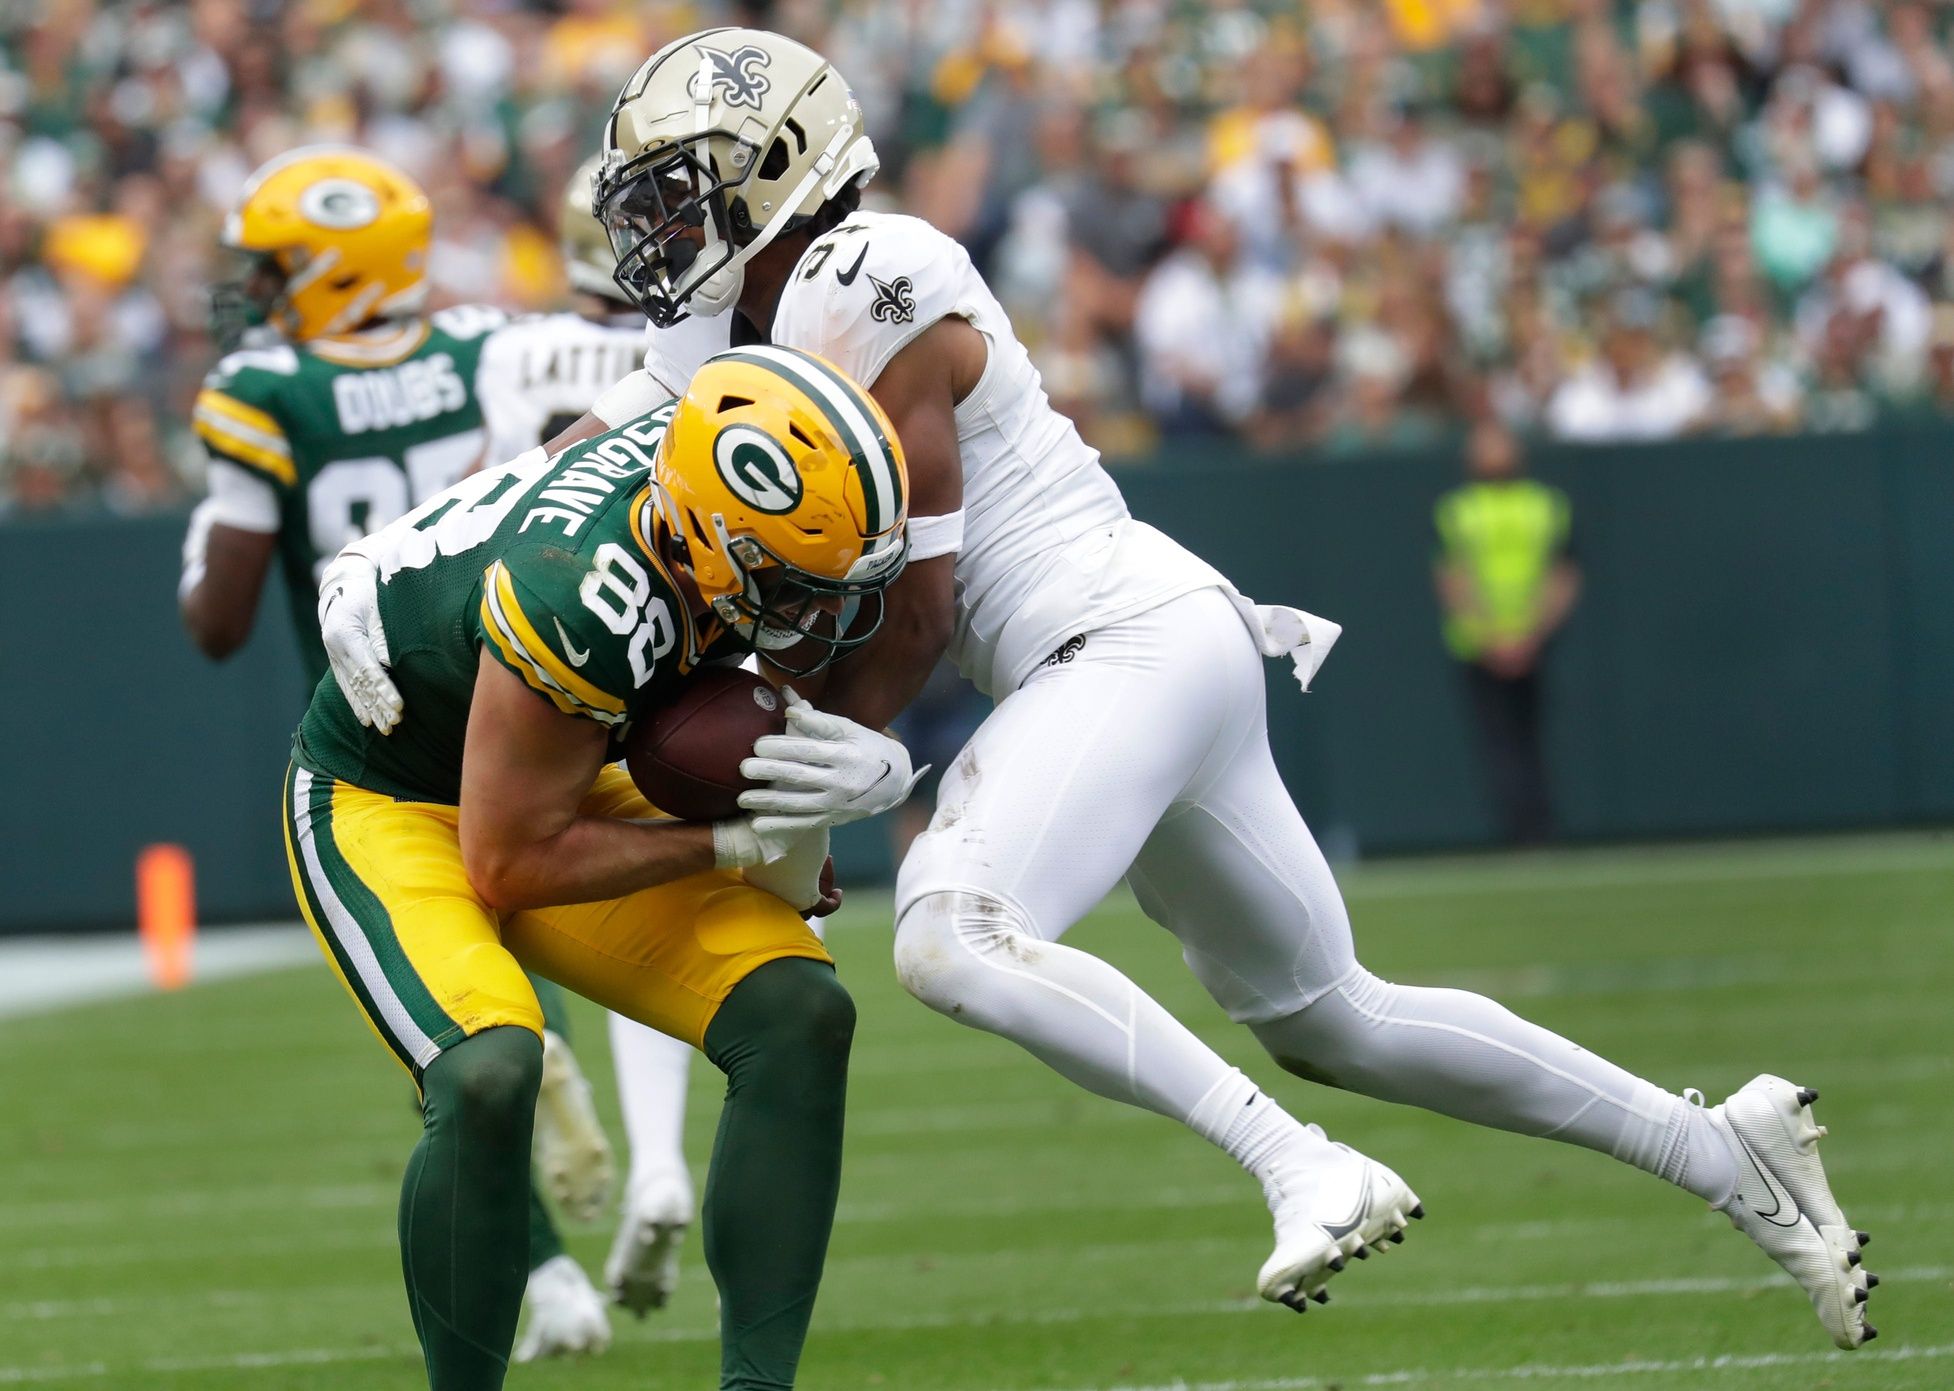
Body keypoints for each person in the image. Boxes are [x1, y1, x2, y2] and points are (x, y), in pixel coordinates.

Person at [326, 29, 1876, 1344]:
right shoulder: (734, 322)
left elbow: (918, 606)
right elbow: (611, 468)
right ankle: (1715, 1142)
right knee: (1335, 1011)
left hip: (1109, 639)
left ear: (782, 171)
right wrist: (410, 557)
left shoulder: (874, 273)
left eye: (684, 184)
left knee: (951, 928)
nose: (655, 220)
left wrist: (847, 763)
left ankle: (1296, 1167)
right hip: (1139, 649)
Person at [291, 347, 915, 1391]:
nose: (811, 613)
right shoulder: (585, 588)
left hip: (566, 769)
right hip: (391, 798)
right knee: (489, 1069)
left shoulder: (690, 486)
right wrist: (727, 840)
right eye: (788, 581)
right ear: (712, 530)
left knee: (800, 1011)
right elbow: (508, 862)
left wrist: (827, 785)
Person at [175, 145, 620, 1359]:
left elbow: (218, 619)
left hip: (380, 727)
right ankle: (562, 1145)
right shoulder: (488, 342)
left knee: (441, 1011)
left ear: (329, 268)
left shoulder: (269, 387)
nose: (251, 288)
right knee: (515, 932)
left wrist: (216, 508)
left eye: (271, 266)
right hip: (532, 682)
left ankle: (537, 1261)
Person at [474, 155, 724, 1320]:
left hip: (546, 631)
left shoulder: (514, 353)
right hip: (672, 635)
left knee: (520, 894)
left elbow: (491, 491)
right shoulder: (706, 343)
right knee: (654, 908)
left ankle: (580, 1162)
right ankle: (664, 1156)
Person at [1432, 421, 1581, 844]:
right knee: (1500, 741)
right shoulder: (1459, 509)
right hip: (1481, 646)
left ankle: (1540, 827)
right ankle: (1519, 828)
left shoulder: (1546, 505)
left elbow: (1563, 574)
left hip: (1534, 643)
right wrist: (1494, 636)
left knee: (1532, 737)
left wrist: (1530, 634)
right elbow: (1453, 579)